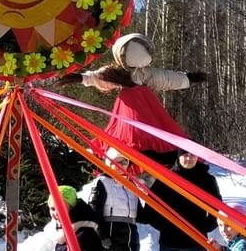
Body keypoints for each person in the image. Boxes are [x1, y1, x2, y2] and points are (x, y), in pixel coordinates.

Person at [67, 32, 206, 169]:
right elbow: (98, 77)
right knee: (132, 131)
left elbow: (166, 78)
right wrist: (81, 78)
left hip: (143, 105)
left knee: (149, 131)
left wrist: (186, 78)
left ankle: (149, 158)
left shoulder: (146, 73)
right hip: (132, 107)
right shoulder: (118, 73)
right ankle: (127, 159)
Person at [86, 148, 140, 251]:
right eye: (117, 162)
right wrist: (102, 234)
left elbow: (139, 212)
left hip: (128, 236)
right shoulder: (102, 182)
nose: (121, 165)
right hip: (111, 235)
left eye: (124, 162)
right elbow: (94, 209)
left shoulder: (131, 184)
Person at [45, 185, 108, 251]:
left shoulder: (85, 232)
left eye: (60, 208)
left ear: (72, 208)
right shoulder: (62, 234)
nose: (56, 213)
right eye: (52, 209)